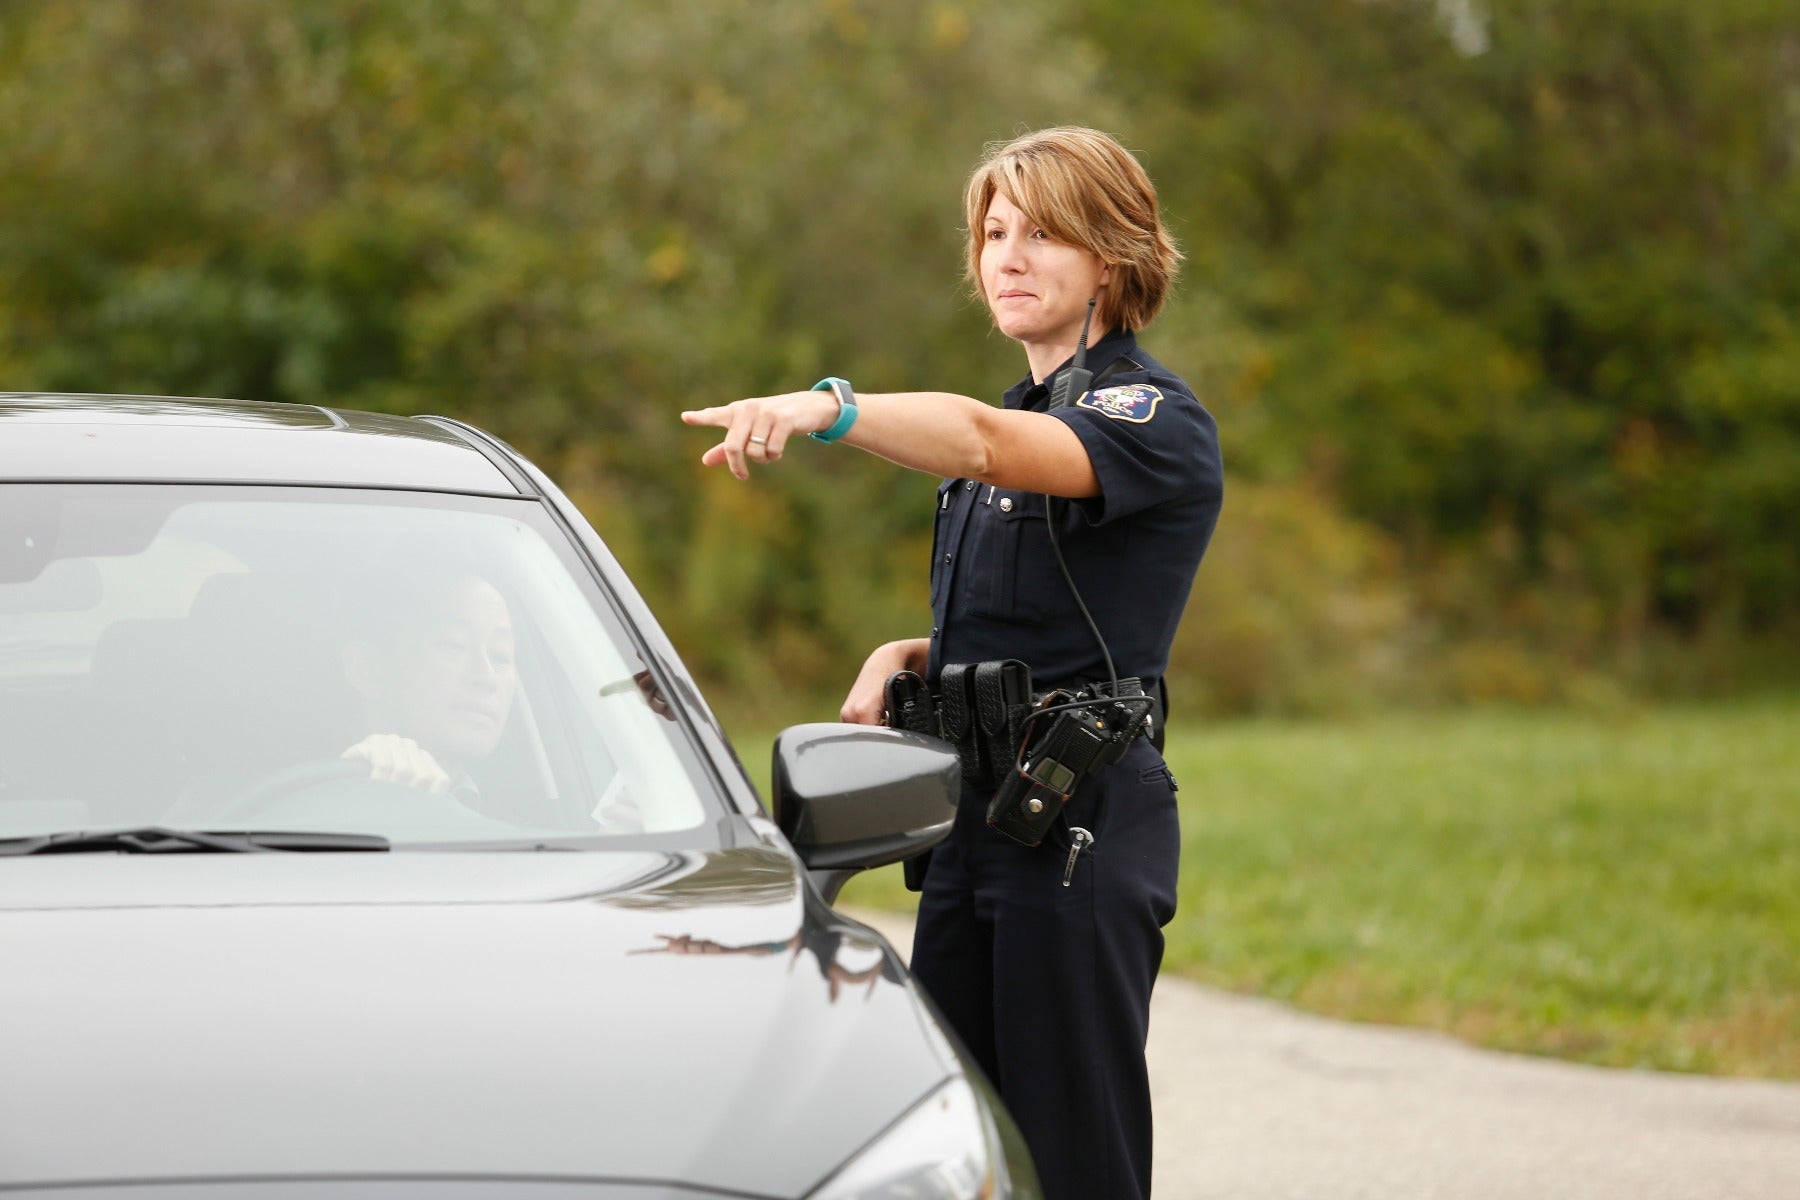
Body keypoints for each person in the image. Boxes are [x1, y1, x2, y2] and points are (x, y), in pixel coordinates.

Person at [681, 126, 1222, 1199]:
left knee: (1070, 1159)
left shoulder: (1148, 417)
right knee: (961, 1154)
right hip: (973, 820)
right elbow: (1050, 613)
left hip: (1077, 814)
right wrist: (914, 652)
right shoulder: (1011, 427)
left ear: (1108, 258)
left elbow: (977, 440)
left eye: (1043, 234)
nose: (1008, 257)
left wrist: (825, 408)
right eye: (993, 233)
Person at [339, 571, 520, 798]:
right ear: (367, 669)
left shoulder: (526, 828)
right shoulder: (299, 814)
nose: (487, 677)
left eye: (501, 656)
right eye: (454, 644)